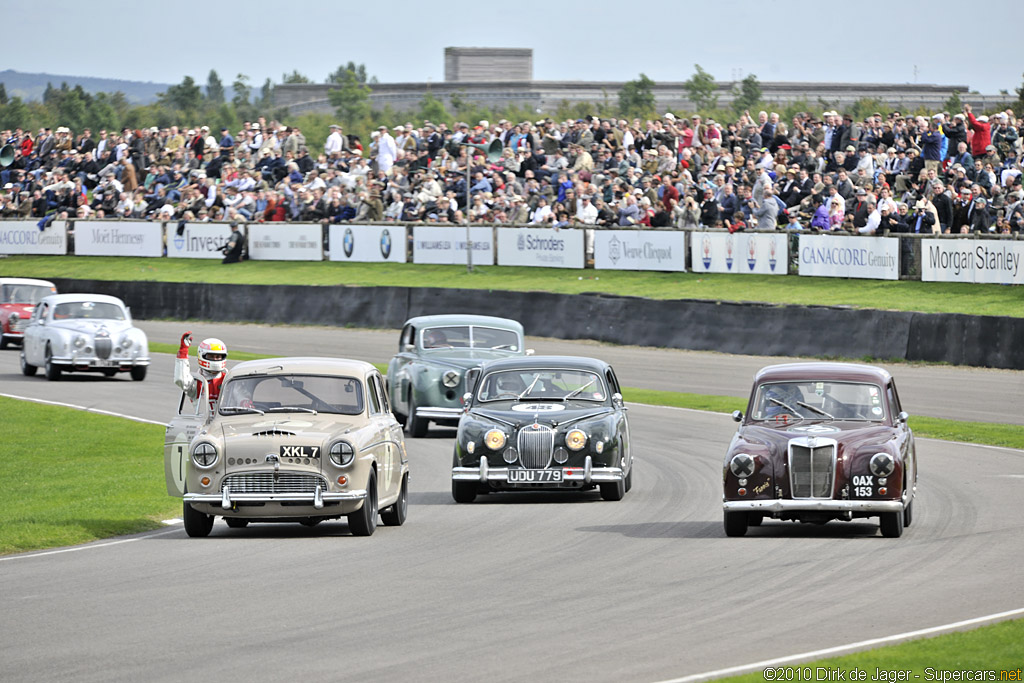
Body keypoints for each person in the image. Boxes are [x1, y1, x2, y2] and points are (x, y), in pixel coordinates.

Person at [174, 333, 229, 410]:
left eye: (218, 356)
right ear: (201, 356)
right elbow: (181, 379)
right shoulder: (196, 382)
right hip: (202, 421)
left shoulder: (228, 379)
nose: (215, 359)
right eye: (211, 356)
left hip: (226, 421)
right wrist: (183, 351)